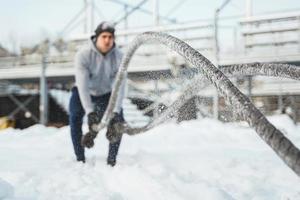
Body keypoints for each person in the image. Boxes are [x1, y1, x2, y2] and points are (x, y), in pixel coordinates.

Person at [69, 21, 127, 166]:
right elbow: (82, 84)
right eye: (104, 36)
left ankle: (111, 161)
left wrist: (114, 112)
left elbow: (119, 86)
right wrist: (89, 112)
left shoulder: (120, 57)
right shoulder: (83, 55)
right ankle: (80, 158)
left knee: (118, 121)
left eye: (110, 37)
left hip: (106, 93)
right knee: (75, 117)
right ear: (96, 37)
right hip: (84, 91)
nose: (107, 40)